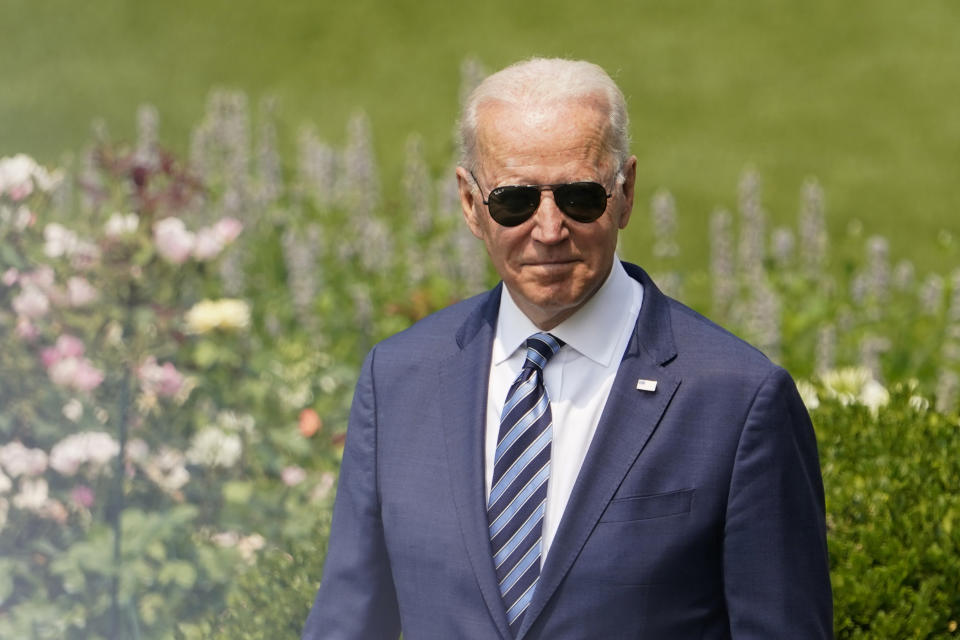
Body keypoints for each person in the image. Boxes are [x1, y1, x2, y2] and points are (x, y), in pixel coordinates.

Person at [302, 58, 832, 639]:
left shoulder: (738, 400)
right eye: (514, 201)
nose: (549, 229)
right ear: (470, 203)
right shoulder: (398, 378)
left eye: (580, 197)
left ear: (626, 194)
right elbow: (348, 625)